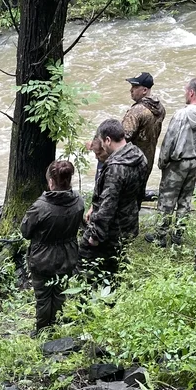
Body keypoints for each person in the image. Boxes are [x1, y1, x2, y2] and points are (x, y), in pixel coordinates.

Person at [148, 76, 196, 246]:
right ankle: (178, 235)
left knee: (167, 200)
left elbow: (169, 140)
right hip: (194, 162)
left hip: (177, 163)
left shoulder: (181, 114)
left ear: (191, 92)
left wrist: (162, 162)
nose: (185, 93)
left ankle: (160, 236)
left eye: (186, 90)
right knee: (185, 200)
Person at [20, 160, 85, 333]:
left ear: (50, 182)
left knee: (43, 296)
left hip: (42, 259)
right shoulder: (79, 201)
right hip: (68, 255)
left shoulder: (40, 207)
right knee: (59, 293)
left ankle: (42, 331)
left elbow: (25, 231)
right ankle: (55, 326)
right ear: (69, 180)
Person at [80, 119, 147, 282]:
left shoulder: (115, 168)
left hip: (111, 231)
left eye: (102, 143)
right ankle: (112, 297)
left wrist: (94, 236)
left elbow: (107, 207)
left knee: (86, 264)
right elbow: (140, 194)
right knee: (115, 265)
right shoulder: (139, 156)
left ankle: (92, 302)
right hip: (129, 224)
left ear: (108, 140)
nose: (102, 147)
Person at [122, 72, 166, 195]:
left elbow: (122, 139)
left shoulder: (136, 111)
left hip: (132, 163)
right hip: (147, 161)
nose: (131, 90)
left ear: (144, 90)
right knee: (138, 196)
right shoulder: (160, 108)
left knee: (126, 199)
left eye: (135, 87)